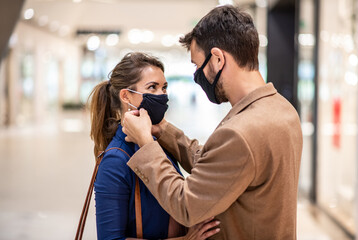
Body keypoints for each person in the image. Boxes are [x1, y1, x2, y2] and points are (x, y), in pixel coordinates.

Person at [122, 5, 303, 240]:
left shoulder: (242, 132)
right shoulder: (281, 109)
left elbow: (186, 204)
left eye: (198, 66)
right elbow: (217, 166)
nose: (198, 76)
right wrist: (163, 130)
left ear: (217, 59)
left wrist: (147, 144)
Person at [88, 52, 220, 240]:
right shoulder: (115, 160)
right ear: (125, 96)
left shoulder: (157, 142)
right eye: (152, 87)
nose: (162, 95)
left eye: (164, 88)